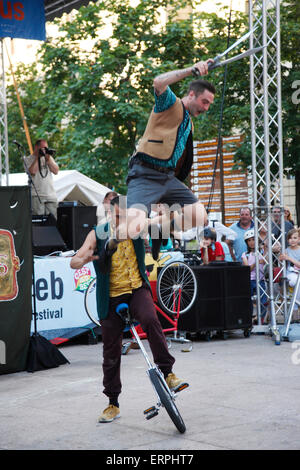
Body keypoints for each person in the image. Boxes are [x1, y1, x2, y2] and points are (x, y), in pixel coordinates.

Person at [70, 195, 187, 423]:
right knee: (110, 352)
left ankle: (168, 373)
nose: (121, 219)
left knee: (151, 321)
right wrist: (83, 259)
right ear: (110, 214)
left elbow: (160, 225)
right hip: (111, 296)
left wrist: (168, 215)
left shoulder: (136, 228)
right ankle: (112, 403)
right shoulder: (98, 233)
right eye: (117, 215)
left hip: (136, 289)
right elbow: (74, 261)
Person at [123, 60, 215, 260]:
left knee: (200, 217)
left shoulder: (189, 124)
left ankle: (160, 227)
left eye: (209, 104)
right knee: (131, 230)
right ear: (192, 94)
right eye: (204, 102)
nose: (206, 108)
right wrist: (191, 70)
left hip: (168, 178)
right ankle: (148, 229)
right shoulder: (169, 104)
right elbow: (158, 82)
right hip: (145, 174)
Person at [24, 139, 59, 219]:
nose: (44, 150)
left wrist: (48, 159)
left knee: (53, 221)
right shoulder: (28, 159)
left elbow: (56, 171)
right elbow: (32, 171)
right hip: (37, 196)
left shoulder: (48, 158)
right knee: (39, 221)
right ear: (36, 147)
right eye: (43, 148)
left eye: (46, 148)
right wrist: (38, 158)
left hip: (50, 195)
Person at [241, 229, 267, 324]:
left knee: (263, 300)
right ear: (246, 242)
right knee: (249, 300)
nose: (251, 242)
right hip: (250, 280)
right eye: (249, 240)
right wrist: (256, 262)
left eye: (253, 239)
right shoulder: (245, 254)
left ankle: (261, 318)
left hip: (261, 279)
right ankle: (249, 318)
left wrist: (266, 248)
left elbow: (266, 260)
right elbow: (248, 269)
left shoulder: (262, 251)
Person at [279, 228, 300, 319]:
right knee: (296, 282)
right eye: (290, 238)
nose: (292, 240)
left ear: (299, 239)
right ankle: (295, 314)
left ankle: (295, 312)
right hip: (291, 274)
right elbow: (281, 264)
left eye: (295, 238)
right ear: (287, 240)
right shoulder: (286, 250)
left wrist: (289, 258)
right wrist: (281, 258)